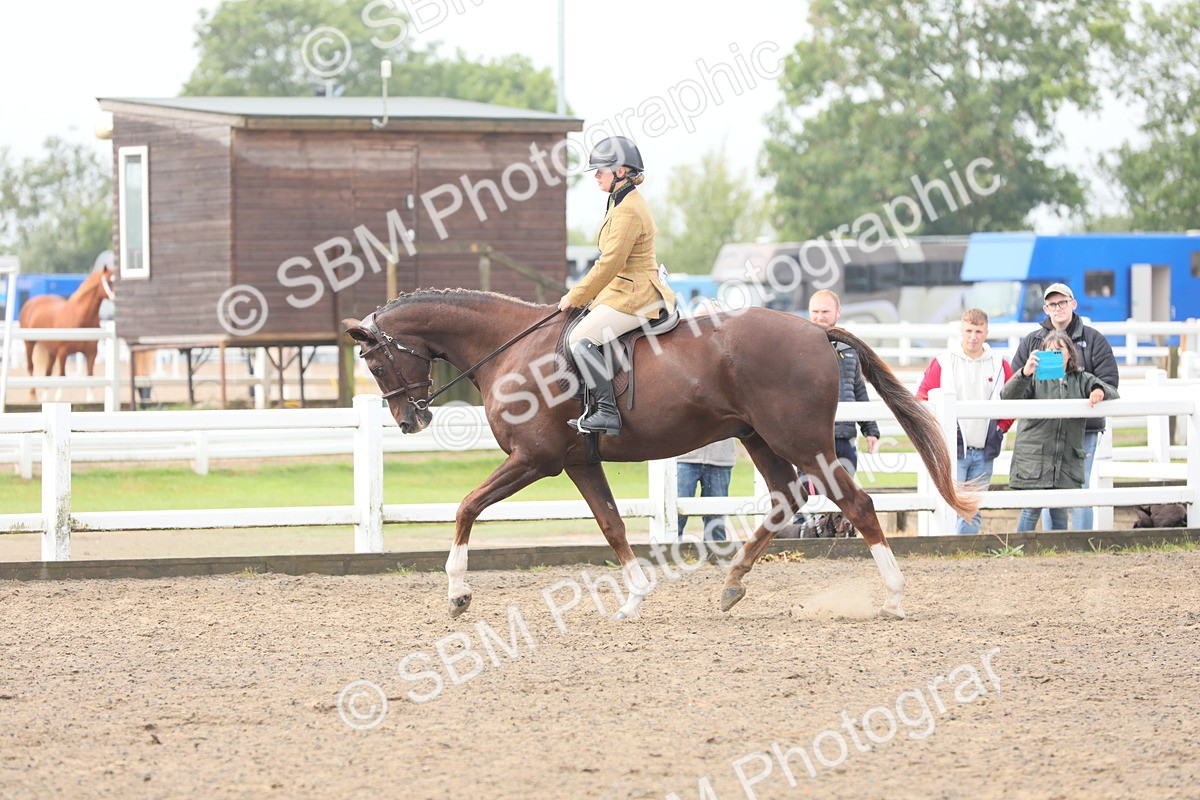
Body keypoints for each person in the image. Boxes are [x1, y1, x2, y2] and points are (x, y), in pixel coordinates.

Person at [557, 136, 675, 436]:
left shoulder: (628, 209)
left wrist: (576, 295)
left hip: (637, 294)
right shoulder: (620, 200)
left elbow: (609, 263)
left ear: (620, 171)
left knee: (579, 339)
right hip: (622, 289)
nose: (596, 175)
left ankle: (607, 412)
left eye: (601, 170)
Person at [1010, 283, 1119, 530]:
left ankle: (1079, 542)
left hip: (1084, 429)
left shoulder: (1093, 339)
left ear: (1073, 304)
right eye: (1052, 304)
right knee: (1045, 491)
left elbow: (1109, 380)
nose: (1058, 308)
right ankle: (1056, 542)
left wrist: (1096, 392)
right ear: (1045, 308)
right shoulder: (1032, 341)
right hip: (1044, 430)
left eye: (1062, 302)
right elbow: (1015, 383)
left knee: (1079, 488)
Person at [916, 308, 1013, 534]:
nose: (973, 336)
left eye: (978, 331)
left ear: (986, 332)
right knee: (949, 503)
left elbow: (1011, 399)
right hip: (952, 449)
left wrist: (1000, 429)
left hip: (985, 447)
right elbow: (922, 398)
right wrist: (938, 433)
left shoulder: (1000, 364)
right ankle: (950, 549)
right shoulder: (943, 362)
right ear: (961, 331)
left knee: (973, 508)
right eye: (969, 330)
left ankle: (966, 551)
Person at [790, 289, 880, 534]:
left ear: (837, 313)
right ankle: (805, 532)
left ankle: (839, 531)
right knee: (809, 486)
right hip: (811, 434)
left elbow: (858, 388)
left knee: (845, 488)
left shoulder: (850, 348)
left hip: (844, 433)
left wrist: (870, 428)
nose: (820, 317)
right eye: (815, 312)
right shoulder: (797, 347)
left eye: (825, 311)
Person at [677, 438, 735, 542]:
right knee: (676, 516)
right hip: (683, 456)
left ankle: (716, 556)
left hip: (720, 458)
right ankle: (669, 555)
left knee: (716, 519)